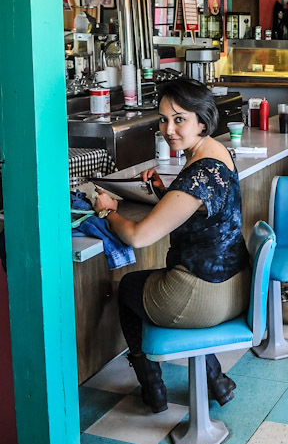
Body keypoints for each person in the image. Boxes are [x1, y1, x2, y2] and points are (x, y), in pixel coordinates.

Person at [93, 79, 250, 413]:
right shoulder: (218, 153)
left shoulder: (197, 175)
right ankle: (216, 379)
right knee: (154, 286)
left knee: (128, 288)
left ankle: (153, 388)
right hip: (237, 286)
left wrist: (108, 211)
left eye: (180, 119)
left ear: (202, 122)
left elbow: (137, 237)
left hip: (205, 297)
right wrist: (164, 191)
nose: (169, 129)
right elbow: (197, 209)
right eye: (164, 119)